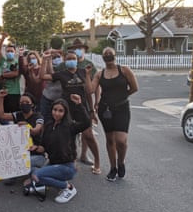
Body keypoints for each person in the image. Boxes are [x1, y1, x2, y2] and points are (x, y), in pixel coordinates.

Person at [40, 50, 101, 175]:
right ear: (65, 61)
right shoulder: (61, 74)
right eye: (68, 59)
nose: (71, 61)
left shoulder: (83, 72)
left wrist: (88, 75)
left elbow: (90, 91)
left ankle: (97, 162)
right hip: (67, 110)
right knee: (68, 136)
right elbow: (42, 77)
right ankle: (70, 162)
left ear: (77, 60)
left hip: (81, 107)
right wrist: (44, 60)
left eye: (73, 58)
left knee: (89, 135)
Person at [28, 95, 91, 203]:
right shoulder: (48, 126)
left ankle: (68, 187)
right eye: (55, 110)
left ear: (65, 112)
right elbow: (44, 148)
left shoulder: (70, 126)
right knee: (31, 171)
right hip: (53, 163)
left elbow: (86, 123)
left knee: (36, 175)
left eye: (60, 111)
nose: (56, 113)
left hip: (67, 165)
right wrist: (36, 148)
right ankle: (57, 180)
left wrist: (80, 104)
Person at [92, 47, 138, 182]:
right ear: (103, 58)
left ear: (114, 55)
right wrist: (88, 76)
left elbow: (135, 88)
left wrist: (123, 96)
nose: (108, 56)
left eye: (110, 54)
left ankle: (121, 162)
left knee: (121, 141)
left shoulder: (124, 70)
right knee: (110, 140)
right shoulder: (100, 74)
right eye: (105, 54)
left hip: (122, 108)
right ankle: (113, 168)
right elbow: (91, 89)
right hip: (105, 110)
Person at [64, 39, 100, 167]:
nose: (78, 50)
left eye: (81, 48)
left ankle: (85, 154)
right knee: (70, 131)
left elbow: (96, 85)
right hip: (68, 103)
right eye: (76, 48)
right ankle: (70, 157)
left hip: (85, 102)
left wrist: (95, 104)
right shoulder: (66, 64)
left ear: (84, 49)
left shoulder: (89, 65)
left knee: (87, 132)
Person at [0, 90, 45, 186]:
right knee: (22, 163)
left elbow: (36, 130)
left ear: (32, 104)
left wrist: (27, 126)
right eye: (22, 103)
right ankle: (34, 174)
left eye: (27, 103)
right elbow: (1, 115)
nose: (24, 104)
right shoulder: (18, 115)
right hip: (20, 152)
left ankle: (23, 173)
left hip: (36, 153)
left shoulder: (38, 116)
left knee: (22, 162)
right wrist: (1, 99)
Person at [39, 44, 64, 123]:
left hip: (60, 100)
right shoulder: (45, 66)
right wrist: (48, 58)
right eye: (54, 57)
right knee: (45, 120)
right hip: (47, 99)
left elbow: (65, 53)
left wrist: (56, 51)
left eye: (58, 57)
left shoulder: (64, 68)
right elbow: (50, 72)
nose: (56, 59)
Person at [0, 32, 21, 113]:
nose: (9, 52)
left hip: (15, 93)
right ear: (5, 52)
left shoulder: (18, 62)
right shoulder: (2, 61)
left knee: (15, 116)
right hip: (3, 93)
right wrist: (3, 38)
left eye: (11, 51)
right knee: (3, 116)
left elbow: (16, 74)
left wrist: (3, 75)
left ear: (14, 52)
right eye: (8, 51)